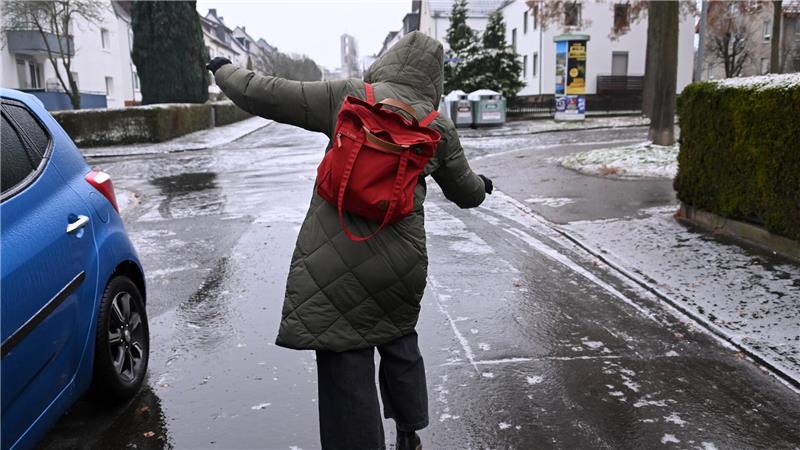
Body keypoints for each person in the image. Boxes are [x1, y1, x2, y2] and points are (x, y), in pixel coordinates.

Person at [207, 31, 492, 450]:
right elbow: (466, 193)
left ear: (388, 61)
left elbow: (268, 94)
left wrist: (224, 71)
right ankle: (409, 430)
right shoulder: (438, 125)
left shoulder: (347, 96)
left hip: (333, 261)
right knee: (399, 338)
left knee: (346, 363)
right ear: (435, 78)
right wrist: (484, 185)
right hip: (400, 266)